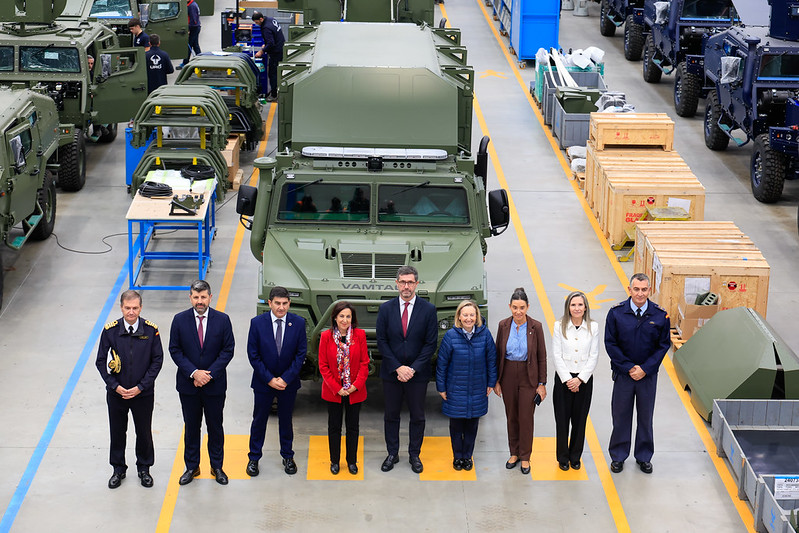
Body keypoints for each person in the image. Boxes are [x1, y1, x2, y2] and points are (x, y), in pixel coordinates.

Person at [169, 280, 235, 486]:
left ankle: (217, 466)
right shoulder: (179, 320)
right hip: (189, 386)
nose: (200, 301)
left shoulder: (223, 320)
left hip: (214, 386)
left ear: (210, 297)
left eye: (203, 297)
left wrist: (209, 375)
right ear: (190, 298)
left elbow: (228, 350)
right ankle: (192, 467)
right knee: (191, 427)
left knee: (215, 427)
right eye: (196, 297)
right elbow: (175, 350)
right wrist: (194, 373)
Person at [95, 290, 163, 489]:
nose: (131, 312)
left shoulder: (151, 331)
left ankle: (144, 469)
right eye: (127, 308)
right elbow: (100, 361)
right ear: (121, 307)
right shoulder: (110, 331)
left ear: (140, 308)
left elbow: (157, 361)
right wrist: (114, 386)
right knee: (117, 431)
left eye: (135, 308)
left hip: (143, 394)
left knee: (144, 432)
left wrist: (141, 387)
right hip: (117, 394)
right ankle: (118, 469)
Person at [605, 273, 670, 474]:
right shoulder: (616, 313)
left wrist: (645, 369)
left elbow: (663, 346)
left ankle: (643, 456)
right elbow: (611, 343)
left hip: (647, 377)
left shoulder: (660, 316)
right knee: (621, 416)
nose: (640, 293)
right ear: (629, 290)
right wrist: (628, 367)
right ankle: (618, 456)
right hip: (624, 375)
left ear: (649, 290)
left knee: (645, 417)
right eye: (636, 289)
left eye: (644, 289)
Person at [376, 265, 438, 474]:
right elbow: (382, 341)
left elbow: (430, 344)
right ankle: (392, 453)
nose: (406, 286)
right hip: (392, 373)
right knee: (391, 415)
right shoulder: (386, 309)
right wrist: (397, 367)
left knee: (418, 416)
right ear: (396, 283)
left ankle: (414, 455)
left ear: (416, 284)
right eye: (402, 282)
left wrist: (412, 369)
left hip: (417, 375)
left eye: (410, 282)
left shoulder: (428, 310)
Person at [246, 286, 307, 476]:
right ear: (269, 303)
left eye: (285, 303)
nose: (281, 307)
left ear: (289, 303)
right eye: (277, 303)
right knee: (259, 421)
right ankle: (254, 457)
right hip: (263, 383)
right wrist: (270, 379)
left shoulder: (298, 323)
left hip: (288, 384)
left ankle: (288, 456)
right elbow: (253, 355)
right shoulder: (257, 323)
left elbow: (300, 354)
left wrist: (286, 378)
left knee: (286, 420)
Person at [436, 300, 497, 471]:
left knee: (472, 426)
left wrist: (491, 382)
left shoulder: (485, 335)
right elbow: (442, 364)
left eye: (472, 315)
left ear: (477, 316)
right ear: (459, 317)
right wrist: (441, 387)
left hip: (478, 388)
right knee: (456, 427)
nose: (469, 318)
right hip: (456, 390)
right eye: (465, 315)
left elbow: (492, 360)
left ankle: (467, 457)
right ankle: (457, 457)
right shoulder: (450, 336)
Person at [494, 287, 547, 475]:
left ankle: (525, 456)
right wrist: (496, 381)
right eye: (515, 307)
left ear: (528, 307)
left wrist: (542, 383)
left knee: (526, 417)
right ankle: (514, 453)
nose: (518, 312)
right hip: (508, 374)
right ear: (510, 306)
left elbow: (541, 357)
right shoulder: (503, 325)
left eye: (522, 308)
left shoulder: (536, 327)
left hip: (528, 375)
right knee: (511, 416)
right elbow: (497, 354)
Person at [318, 302, 369, 475]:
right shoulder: (325, 336)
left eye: (348, 316)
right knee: (334, 427)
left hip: (355, 391)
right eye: (341, 316)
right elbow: (323, 365)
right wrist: (336, 387)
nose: (345, 320)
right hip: (334, 392)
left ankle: (351, 461)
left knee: (353, 427)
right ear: (334, 318)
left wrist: (355, 386)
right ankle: (334, 461)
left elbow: (364, 363)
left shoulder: (360, 335)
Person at [552, 291, 599, 471]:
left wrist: (580, 379)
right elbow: (556, 355)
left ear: (585, 307)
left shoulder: (593, 327)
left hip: (584, 381)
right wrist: (568, 379)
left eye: (580, 305)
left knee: (580, 421)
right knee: (562, 420)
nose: (577, 308)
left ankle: (575, 456)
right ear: (568, 307)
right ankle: (563, 457)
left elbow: (594, 356)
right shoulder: (559, 326)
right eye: (573, 305)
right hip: (563, 381)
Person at [252, 11, 285, 102]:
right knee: (277, 72)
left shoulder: (266, 28)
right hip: (281, 46)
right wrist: (266, 44)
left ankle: (274, 95)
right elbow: (273, 37)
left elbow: (271, 43)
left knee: (272, 74)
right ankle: (274, 91)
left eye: (257, 22)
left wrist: (262, 51)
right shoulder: (271, 19)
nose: (257, 24)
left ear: (261, 19)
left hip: (276, 52)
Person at [179, 0, 201, 69]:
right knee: (195, 45)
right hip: (195, 27)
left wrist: (188, 29)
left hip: (194, 28)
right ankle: (200, 60)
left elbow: (193, 20)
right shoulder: (191, 4)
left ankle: (185, 63)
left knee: (189, 45)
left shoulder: (192, 6)